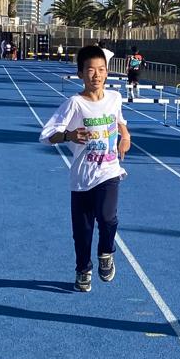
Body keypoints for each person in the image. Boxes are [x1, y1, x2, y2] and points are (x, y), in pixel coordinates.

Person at [40, 44, 131, 292]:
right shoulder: (75, 104)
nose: (96, 75)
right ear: (80, 73)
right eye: (91, 70)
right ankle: (83, 269)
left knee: (108, 218)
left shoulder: (114, 98)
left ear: (107, 72)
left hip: (109, 171)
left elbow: (120, 121)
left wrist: (125, 136)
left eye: (101, 69)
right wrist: (68, 135)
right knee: (82, 232)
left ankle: (106, 252)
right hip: (81, 177)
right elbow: (46, 136)